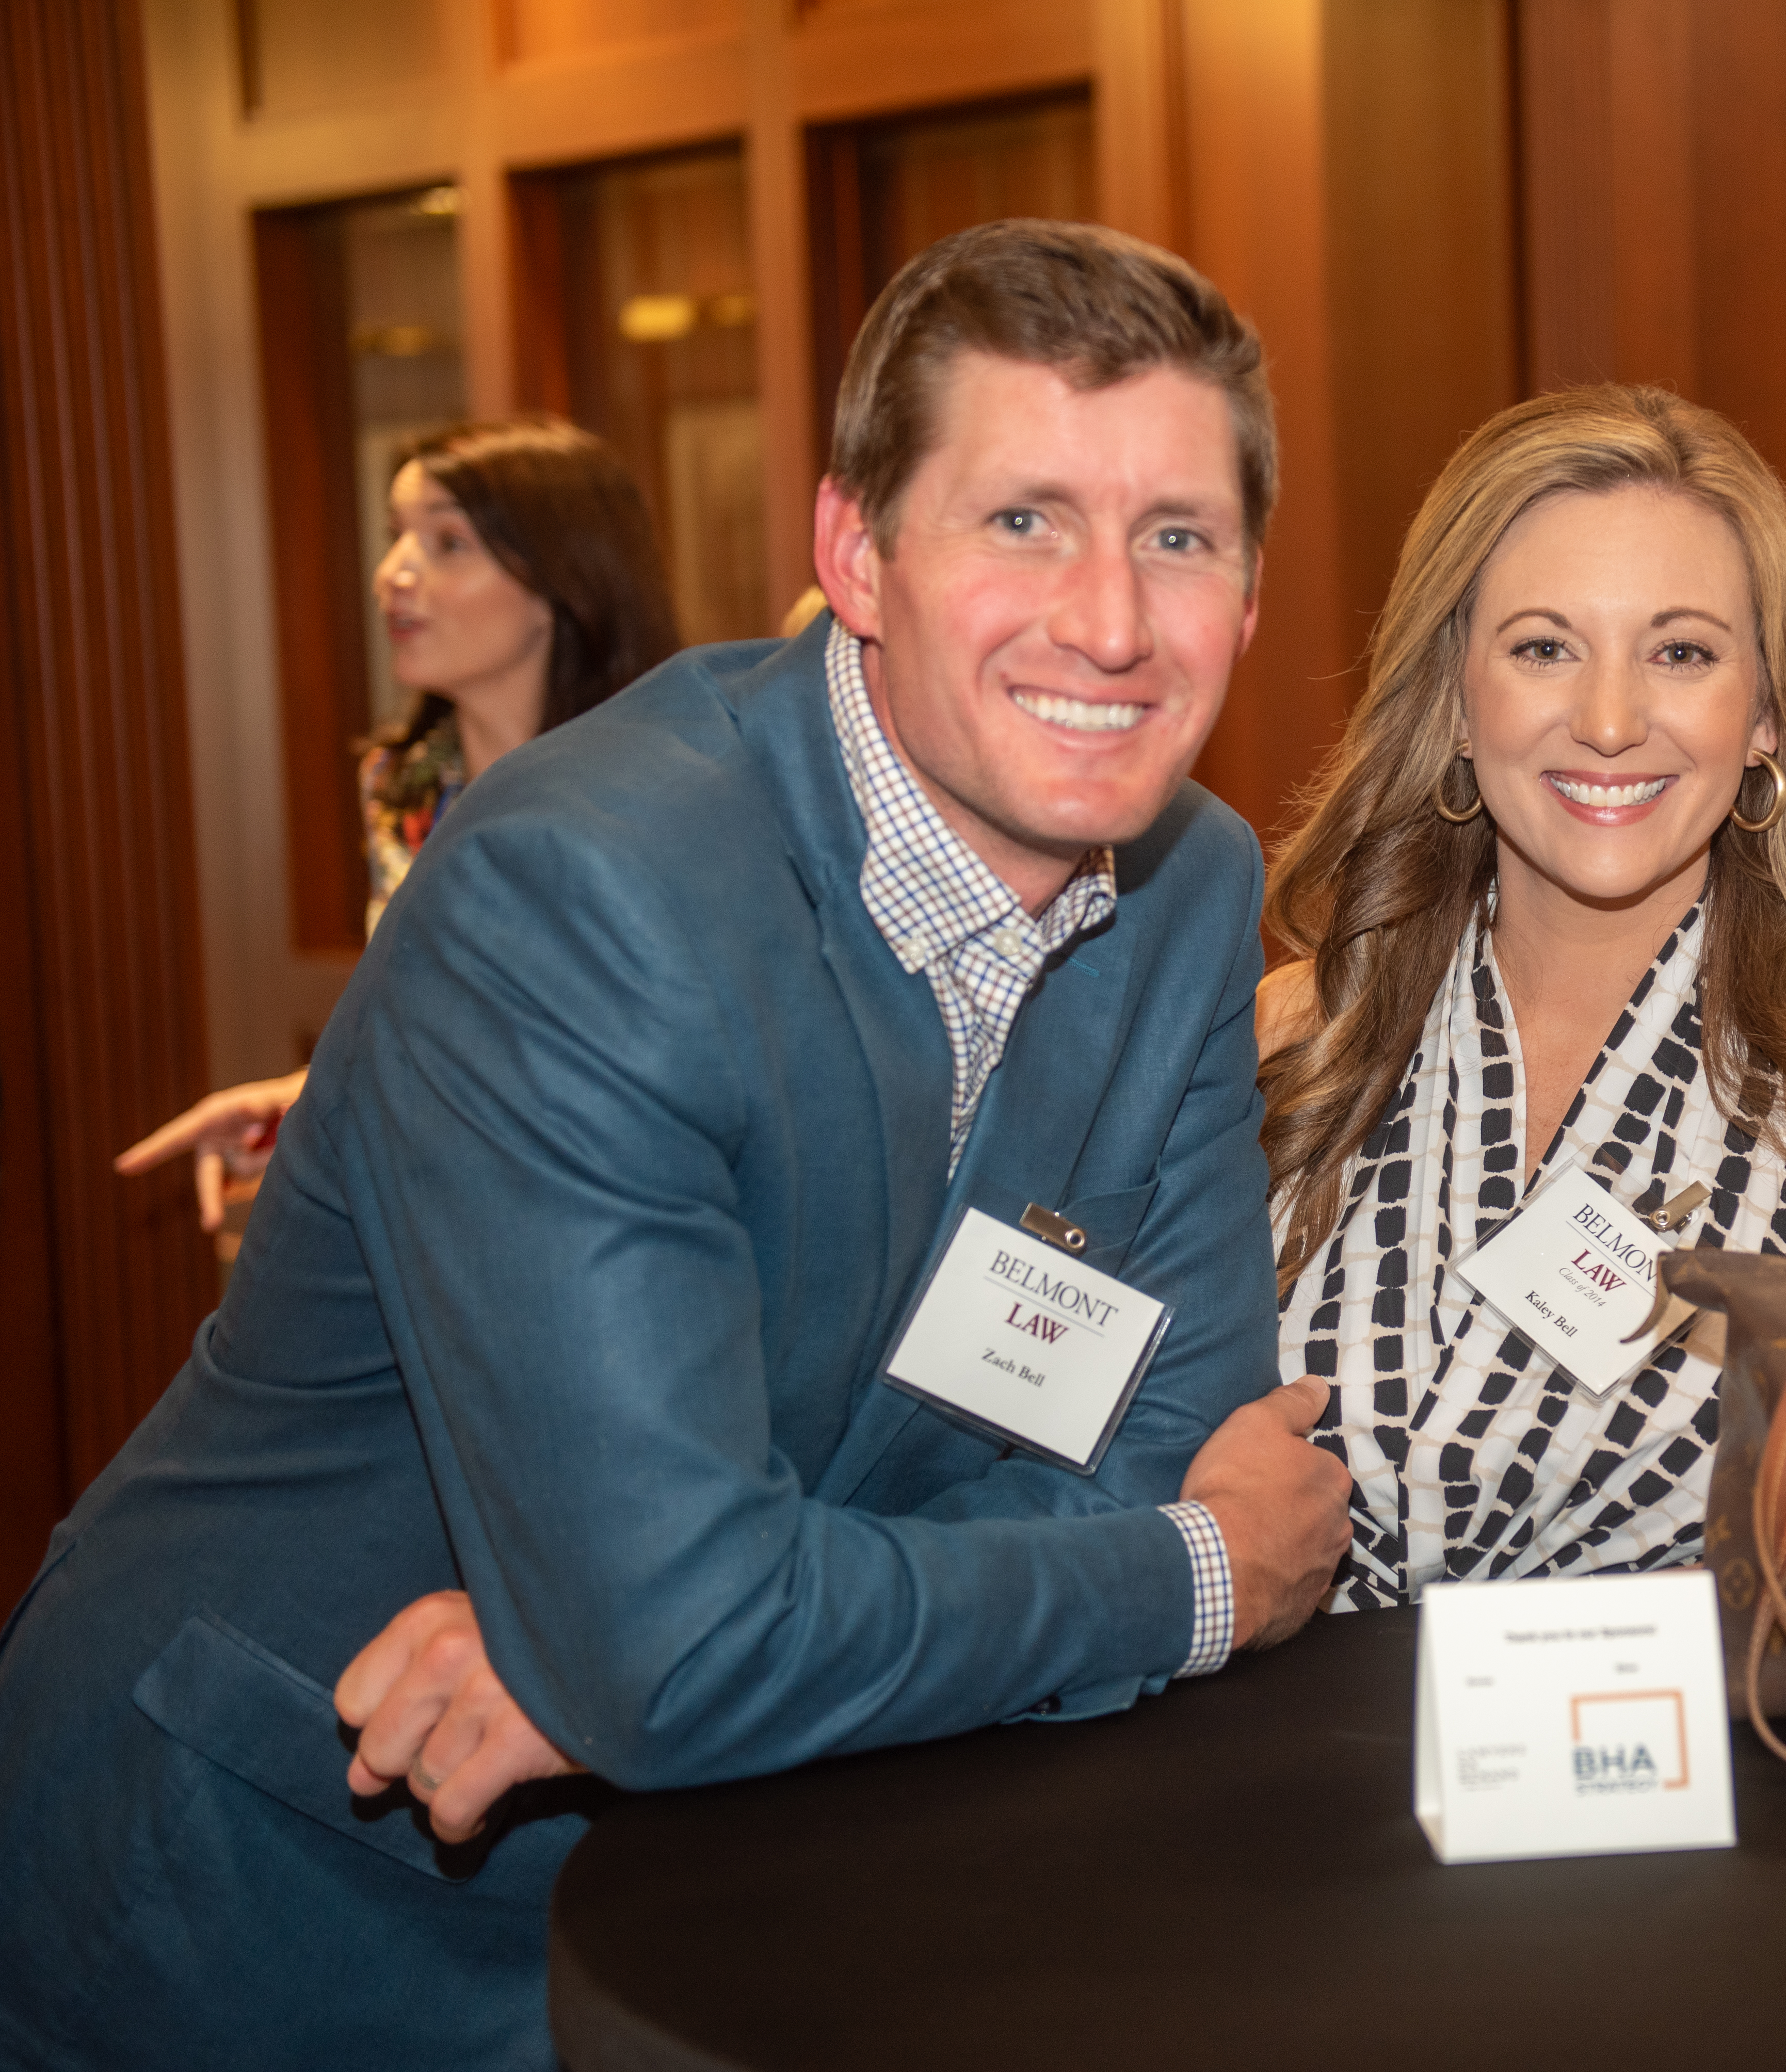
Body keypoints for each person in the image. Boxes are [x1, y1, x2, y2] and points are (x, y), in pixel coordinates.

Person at [0, 220, 1344, 2070]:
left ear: (1253, 591)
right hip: (275, 1899)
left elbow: (1152, 1432)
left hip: (748, 1882)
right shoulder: (592, 887)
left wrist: (649, 1634)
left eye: (1176, 537)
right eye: (1022, 518)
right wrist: (1193, 1573)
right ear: (852, 555)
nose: (1110, 620)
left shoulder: (1191, 884)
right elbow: (727, 1633)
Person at [1258, 384, 1786, 1608]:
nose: (1606, 720)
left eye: (1681, 653)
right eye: (1543, 647)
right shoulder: (1293, 1043)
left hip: (1679, 1787)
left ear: (1762, 716)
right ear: (1453, 696)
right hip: (1287, 1783)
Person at [114, 417, 679, 1234]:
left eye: (448, 544)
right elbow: (437, 1032)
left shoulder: (666, 789)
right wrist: (299, 1112)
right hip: (442, 1225)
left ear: (566, 582)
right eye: (396, 538)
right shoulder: (405, 790)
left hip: (615, 1226)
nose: (393, 575)